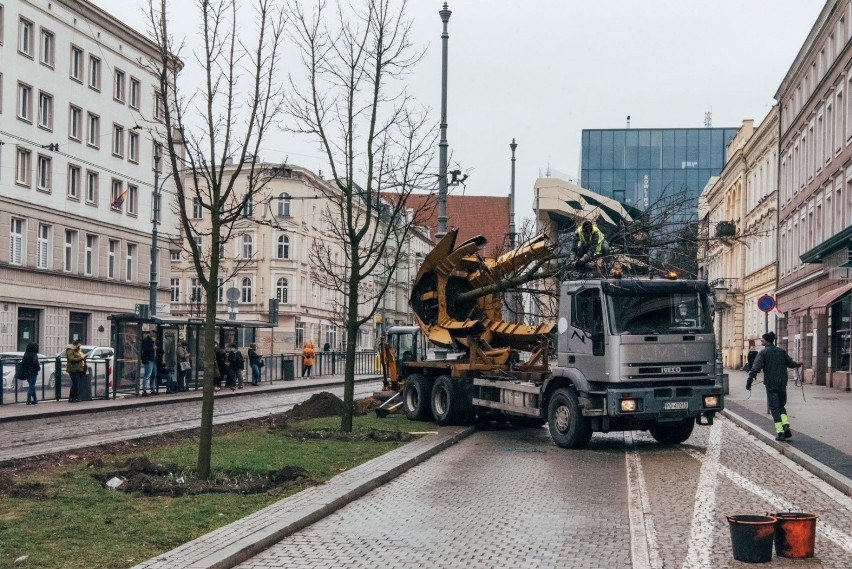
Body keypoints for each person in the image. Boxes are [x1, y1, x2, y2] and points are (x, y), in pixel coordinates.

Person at [746, 331, 803, 442]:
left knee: (775, 408)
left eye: (762, 339)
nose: (761, 340)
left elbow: (756, 367)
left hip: (771, 384)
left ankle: (780, 433)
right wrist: (798, 364)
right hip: (782, 383)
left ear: (766, 340)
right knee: (781, 406)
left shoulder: (763, 353)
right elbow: (791, 364)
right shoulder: (781, 351)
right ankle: (786, 425)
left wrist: (749, 380)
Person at [140, 330, 157, 396]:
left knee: (153, 375)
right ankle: (144, 390)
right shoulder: (146, 340)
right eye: (153, 334)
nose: (154, 336)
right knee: (147, 375)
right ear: (151, 333)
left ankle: (153, 389)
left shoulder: (152, 341)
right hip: (148, 360)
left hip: (153, 359)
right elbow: (145, 350)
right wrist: (153, 348)